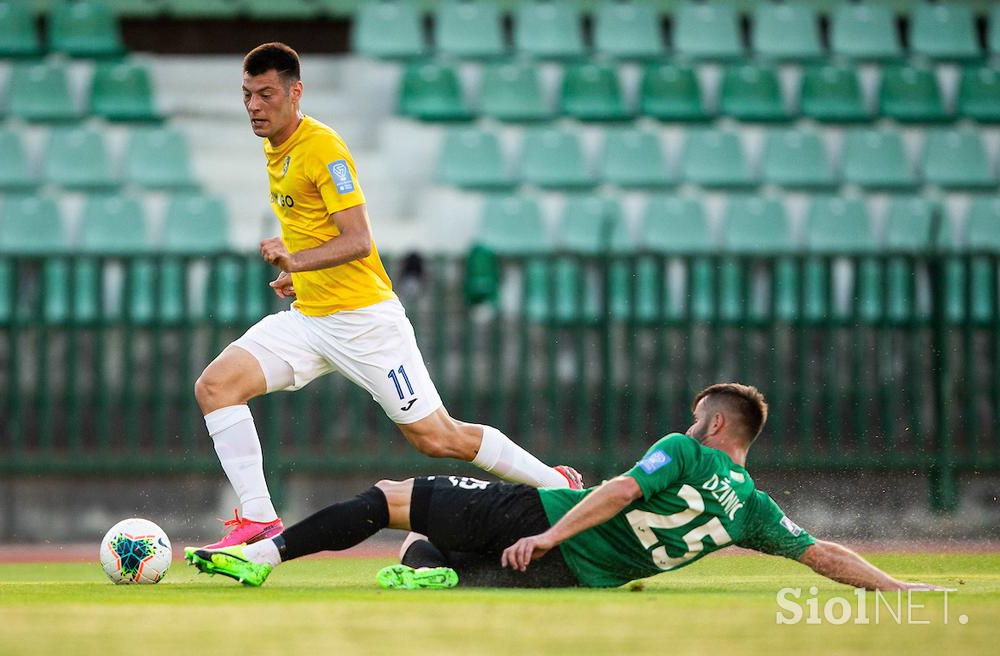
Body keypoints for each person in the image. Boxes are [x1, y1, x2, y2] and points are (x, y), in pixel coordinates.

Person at [194, 42, 581, 550]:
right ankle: (261, 520)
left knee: (437, 437)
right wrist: (302, 276)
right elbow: (317, 230)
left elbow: (359, 240)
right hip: (311, 318)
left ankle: (558, 485)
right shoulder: (275, 146)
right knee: (216, 387)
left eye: (266, 94)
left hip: (365, 323)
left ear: (296, 92)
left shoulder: (322, 148)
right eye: (247, 95)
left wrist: (296, 260)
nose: (254, 106)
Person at [185, 383, 944, 592]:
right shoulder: (755, 511)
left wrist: (550, 525)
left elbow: (616, 492)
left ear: (714, 423)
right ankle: (435, 570)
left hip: (540, 522)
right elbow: (821, 555)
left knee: (389, 497)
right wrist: (895, 584)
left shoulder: (684, 448)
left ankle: (266, 557)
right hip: (573, 582)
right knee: (431, 552)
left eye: (694, 414)